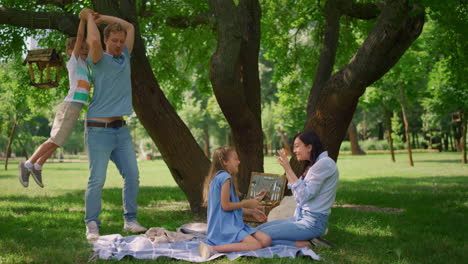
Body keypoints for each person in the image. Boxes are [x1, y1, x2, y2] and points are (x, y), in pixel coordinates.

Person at [80, 8, 146, 240]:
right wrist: (88, 17)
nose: (118, 44)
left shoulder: (125, 57)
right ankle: (92, 223)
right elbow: (94, 39)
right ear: (106, 41)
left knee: (132, 174)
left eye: (120, 41)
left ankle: (130, 220)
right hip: (98, 130)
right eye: (114, 41)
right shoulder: (97, 58)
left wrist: (102, 18)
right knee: (97, 179)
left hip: (120, 129)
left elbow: (130, 27)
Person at [18, 18, 90, 188]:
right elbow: (79, 36)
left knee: (59, 141)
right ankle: (27, 164)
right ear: (70, 51)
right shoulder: (74, 62)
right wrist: (84, 20)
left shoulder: (86, 66)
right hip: (70, 106)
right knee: (54, 139)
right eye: (81, 48)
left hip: (76, 108)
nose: (85, 50)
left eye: (87, 48)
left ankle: (37, 166)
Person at [256, 131, 339, 248]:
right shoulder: (312, 165)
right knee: (259, 229)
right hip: (299, 218)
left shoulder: (325, 164)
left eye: (297, 146)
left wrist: (288, 168)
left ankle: (307, 243)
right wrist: (287, 168)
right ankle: (310, 241)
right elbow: (298, 196)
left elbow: (304, 195)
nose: (294, 151)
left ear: (309, 147)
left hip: (312, 223)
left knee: (261, 236)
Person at [198, 146, 271, 259]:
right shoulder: (225, 178)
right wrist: (246, 203)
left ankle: (226, 245)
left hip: (231, 224)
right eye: (236, 159)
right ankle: (212, 249)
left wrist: (251, 212)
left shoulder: (219, 177)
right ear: (225, 162)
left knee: (266, 240)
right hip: (225, 227)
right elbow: (226, 206)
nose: (239, 162)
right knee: (256, 245)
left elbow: (228, 209)